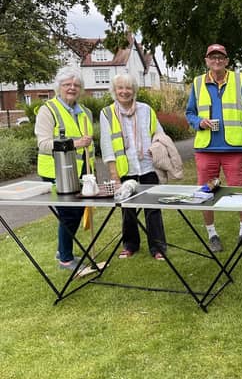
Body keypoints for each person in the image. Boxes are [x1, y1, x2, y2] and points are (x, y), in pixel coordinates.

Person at [185, 43, 242, 252]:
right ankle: (212, 234)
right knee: (205, 193)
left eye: (221, 57)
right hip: (206, 149)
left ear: (227, 61)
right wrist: (199, 122)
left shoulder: (238, 80)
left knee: (241, 192)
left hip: (233, 149)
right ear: (206, 61)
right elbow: (189, 113)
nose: (217, 60)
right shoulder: (197, 82)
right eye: (213, 57)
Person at [99, 73, 167, 260]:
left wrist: (157, 149)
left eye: (128, 88)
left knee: (153, 208)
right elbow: (106, 144)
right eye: (120, 88)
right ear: (114, 91)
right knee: (128, 210)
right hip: (125, 170)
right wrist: (114, 174)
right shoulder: (107, 113)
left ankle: (158, 247)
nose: (124, 91)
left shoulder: (146, 110)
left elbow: (160, 135)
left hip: (147, 167)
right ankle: (130, 245)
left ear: (134, 90)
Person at [34, 66, 95, 270]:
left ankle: (63, 251)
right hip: (56, 173)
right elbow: (43, 143)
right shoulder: (48, 109)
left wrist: (91, 171)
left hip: (80, 172)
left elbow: (90, 146)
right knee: (68, 213)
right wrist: (74, 143)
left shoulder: (85, 112)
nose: (72, 88)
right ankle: (66, 259)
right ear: (58, 87)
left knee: (75, 213)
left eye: (76, 85)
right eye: (67, 84)